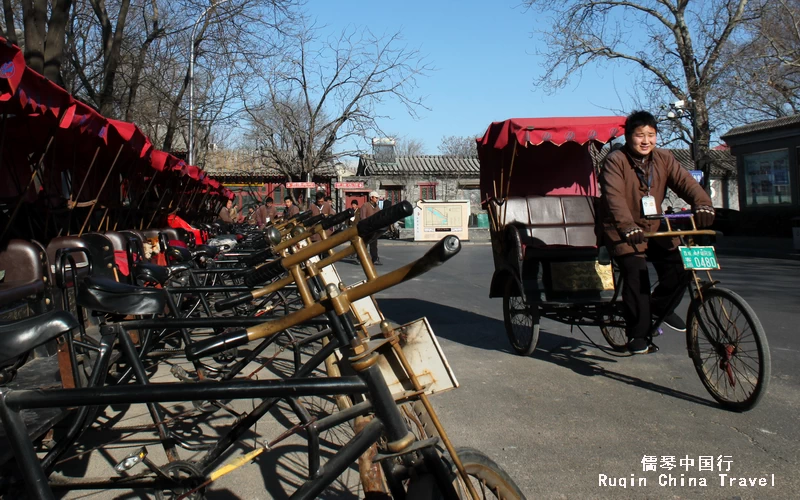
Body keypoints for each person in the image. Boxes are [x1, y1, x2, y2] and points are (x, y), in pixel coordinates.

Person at [598, 110, 715, 355]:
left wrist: (703, 203)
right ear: (629, 136)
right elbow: (614, 198)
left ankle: (658, 306)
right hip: (622, 229)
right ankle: (638, 334)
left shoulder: (664, 158)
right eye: (640, 135)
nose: (646, 141)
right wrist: (627, 226)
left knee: (680, 266)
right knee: (636, 273)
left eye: (651, 135)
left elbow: (686, 183)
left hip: (654, 225)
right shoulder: (615, 160)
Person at [360, 191, 382, 265]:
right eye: (376, 198)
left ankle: (375, 259)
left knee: (374, 245)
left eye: (377, 198)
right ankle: (360, 258)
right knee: (364, 244)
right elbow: (363, 217)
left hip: (374, 229)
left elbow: (379, 216)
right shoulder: (365, 205)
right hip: (367, 229)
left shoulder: (377, 207)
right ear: (371, 197)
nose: (377, 199)